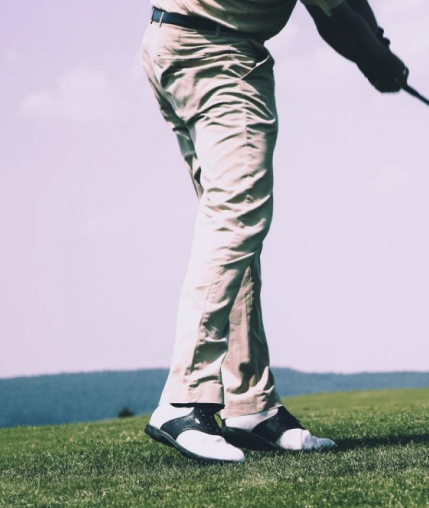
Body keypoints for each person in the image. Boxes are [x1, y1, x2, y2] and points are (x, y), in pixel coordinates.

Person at [140, 0, 408, 463]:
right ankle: (183, 399)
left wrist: (375, 39)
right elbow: (337, 18)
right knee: (236, 216)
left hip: (173, 44)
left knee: (231, 230)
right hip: (218, 54)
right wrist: (380, 60)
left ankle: (251, 406)